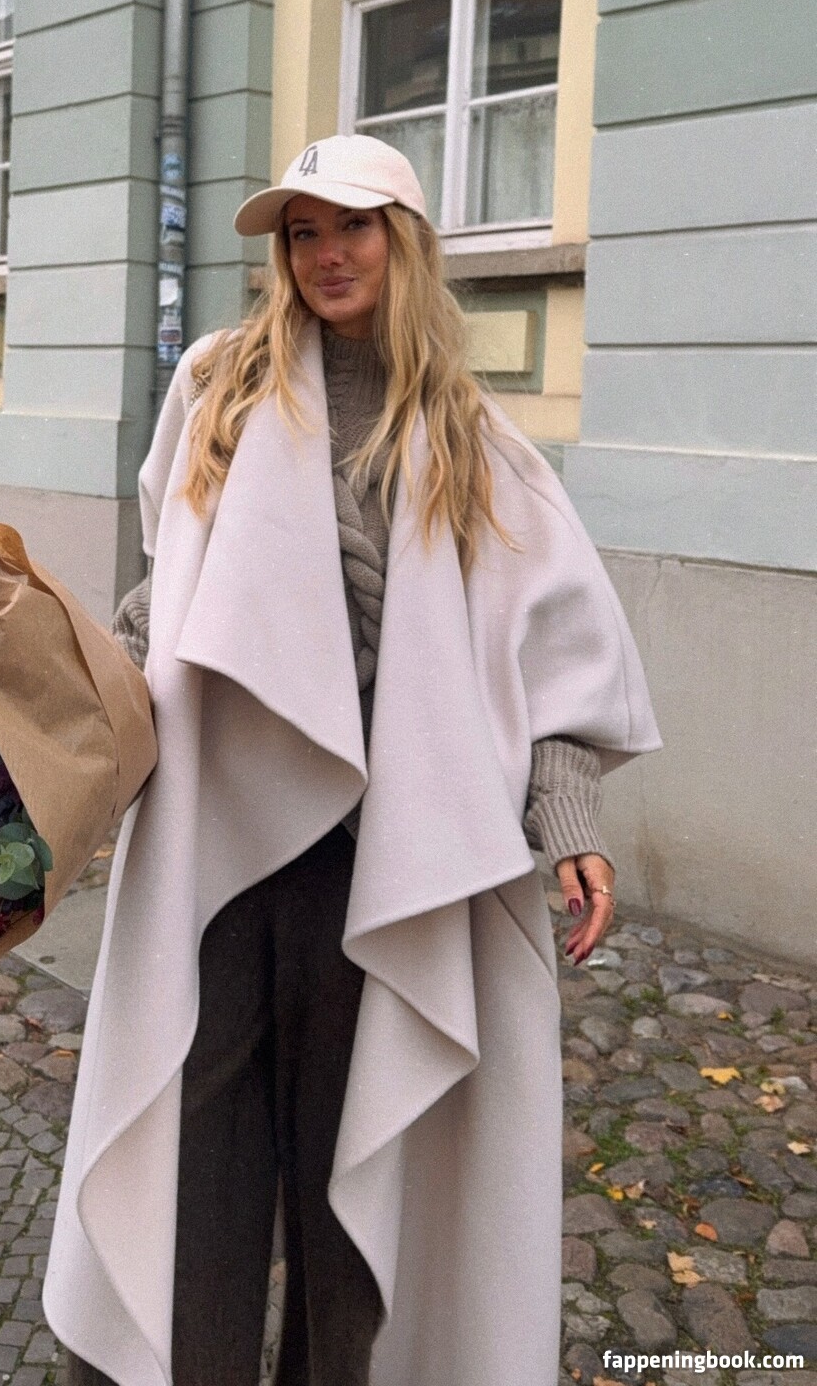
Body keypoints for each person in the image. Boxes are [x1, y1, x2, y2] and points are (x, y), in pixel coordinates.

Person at [45, 134, 662, 1386]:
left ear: (404, 241)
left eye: (354, 227)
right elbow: (173, 595)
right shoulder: (220, 387)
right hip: (220, 842)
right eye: (303, 232)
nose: (327, 254)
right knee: (200, 1157)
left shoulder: (471, 436)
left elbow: (548, 649)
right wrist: (57, 710)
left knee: (353, 1164)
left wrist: (567, 813)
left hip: (377, 864)